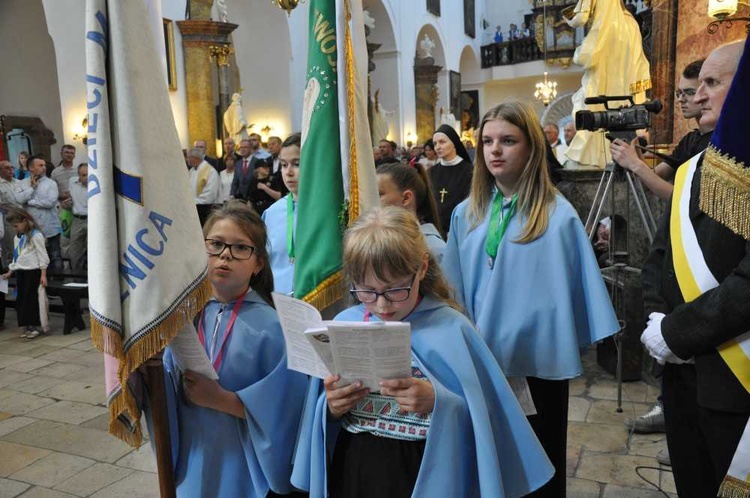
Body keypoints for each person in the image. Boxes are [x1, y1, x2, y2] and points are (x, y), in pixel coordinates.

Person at [291, 207, 554, 498]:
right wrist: (330, 408)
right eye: (366, 290)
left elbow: (487, 420)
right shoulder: (343, 325)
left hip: (425, 469)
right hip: (356, 465)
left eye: (395, 290)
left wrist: (437, 401)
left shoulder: (453, 329)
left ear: (422, 268)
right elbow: (323, 416)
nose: (381, 305)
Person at [442, 101, 620, 497]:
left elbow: (565, 295)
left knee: (540, 463)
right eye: (487, 141)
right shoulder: (466, 213)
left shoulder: (558, 217)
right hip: (480, 360)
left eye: (508, 140)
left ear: (532, 148)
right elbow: (452, 288)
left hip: (535, 366)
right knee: (488, 460)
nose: (495, 150)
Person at [640, 39, 750, 498]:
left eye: (712, 82)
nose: (696, 95)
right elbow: (659, 255)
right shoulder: (690, 168)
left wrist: (678, 333)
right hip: (681, 376)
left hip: (735, 381)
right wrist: (655, 322)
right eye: (697, 82)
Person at [159, 201, 309, 498]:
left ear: (259, 264)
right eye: (215, 244)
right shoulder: (183, 317)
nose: (225, 255)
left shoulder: (274, 328)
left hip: (242, 461)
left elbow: (288, 411)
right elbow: (164, 385)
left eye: (241, 248)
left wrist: (223, 400)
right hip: (192, 452)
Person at [563, 0, 651, 168]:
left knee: (591, 106)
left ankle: (594, 156)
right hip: (626, 86)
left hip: (603, 80)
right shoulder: (630, 23)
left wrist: (566, 14)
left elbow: (579, 19)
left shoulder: (606, 21)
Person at [610, 59, 712, 200]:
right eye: (679, 93)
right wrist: (635, 154)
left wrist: (635, 164)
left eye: (689, 92)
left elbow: (685, 201)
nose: (680, 100)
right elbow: (651, 181)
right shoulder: (690, 139)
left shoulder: (720, 142)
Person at [376, 162, 445, 262]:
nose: (372, 200)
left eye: (379, 194)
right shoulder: (376, 242)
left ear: (406, 198)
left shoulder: (434, 249)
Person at [261, 133, 300, 296]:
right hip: (279, 302)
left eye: (296, 164)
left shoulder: (327, 212)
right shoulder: (271, 213)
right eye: (284, 165)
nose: (288, 172)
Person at [2, 209, 49, 339]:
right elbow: (16, 256)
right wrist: (10, 271)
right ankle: (25, 325)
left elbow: (42, 255)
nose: (15, 229)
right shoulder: (18, 237)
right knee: (22, 300)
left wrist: (43, 274)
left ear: (24, 221)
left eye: (16, 226)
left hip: (33, 272)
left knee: (31, 300)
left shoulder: (36, 235)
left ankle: (35, 326)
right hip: (21, 272)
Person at [17, 155, 62, 274]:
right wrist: (32, 188)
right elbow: (20, 199)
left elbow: (50, 202)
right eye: (40, 165)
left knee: (55, 256)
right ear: (31, 168)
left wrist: (30, 202)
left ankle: (57, 285)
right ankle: (39, 284)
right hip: (32, 228)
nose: (44, 168)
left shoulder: (51, 183)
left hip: (50, 227)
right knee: (34, 256)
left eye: (44, 165)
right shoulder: (22, 183)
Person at [428, 124, 473, 238]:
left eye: (442, 142)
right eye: (435, 144)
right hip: (435, 232)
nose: (437, 147)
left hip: (461, 231)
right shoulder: (431, 172)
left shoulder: (469, 171)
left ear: (454, 143)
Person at [67, 164, 88, 272]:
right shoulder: (72, 182)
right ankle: (76, 275)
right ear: (79, 175)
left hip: (92, 220)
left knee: (93, 249)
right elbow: (67, 195)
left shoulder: (95, 185)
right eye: (84, 175)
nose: (87, 177)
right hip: (77, 220)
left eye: (89, 174)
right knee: (74, 250)